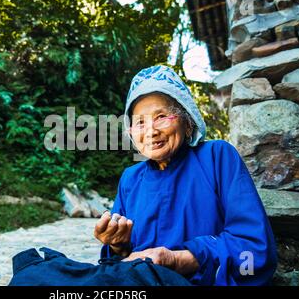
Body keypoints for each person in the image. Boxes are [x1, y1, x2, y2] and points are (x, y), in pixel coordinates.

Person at [93, 65, 277, 286]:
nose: (151, 131)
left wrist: (177, 260)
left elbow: (254, 252)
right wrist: (117, 245)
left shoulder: (217, 157)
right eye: (140, 122)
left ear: (187, 122)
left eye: (161, 117)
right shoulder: (131, 178)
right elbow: (115, 265)